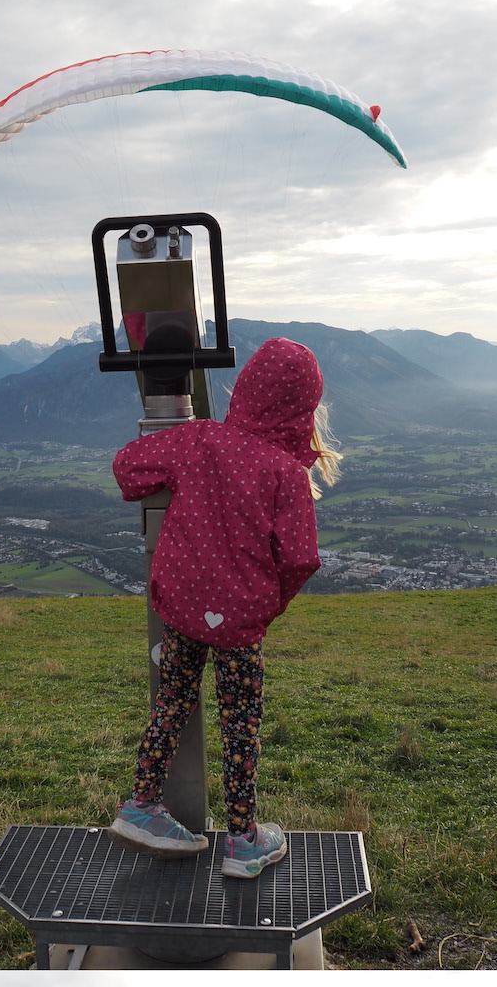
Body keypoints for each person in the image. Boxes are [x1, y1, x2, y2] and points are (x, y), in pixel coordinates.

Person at [106, 337, 341, 879]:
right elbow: (300, 559)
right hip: (239, 628)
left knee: (172, 704)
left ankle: (141, 805)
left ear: (246, 391)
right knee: (242, 729)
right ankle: (242, 841)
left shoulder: (200, 439)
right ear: (304, 411)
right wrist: (265, 607)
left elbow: (127, 467)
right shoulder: (285, 473)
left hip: (184, 611)